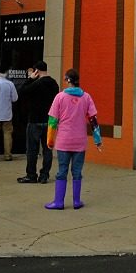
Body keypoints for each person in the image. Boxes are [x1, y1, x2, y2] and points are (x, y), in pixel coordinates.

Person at [44, 68, 102, 210]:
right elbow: (93, 120)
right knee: (77, 172)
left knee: (62, 171)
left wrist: (50, 140)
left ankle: (59, 202)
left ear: (67, 80)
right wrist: (97, 140)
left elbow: (52, 121)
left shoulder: (60, 97)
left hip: (64, 140)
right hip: (80, 141)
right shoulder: (86, 97)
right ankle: (76, 201)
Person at [17, 61, 60, 184]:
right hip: (49, 121)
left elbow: (22, 92)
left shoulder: (35, 84)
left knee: (32, 150)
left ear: (36, 71)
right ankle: (44, 175)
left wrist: (30, 79)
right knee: (47, 149)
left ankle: (31, 175)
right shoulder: (54, 84)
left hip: (35, 120)